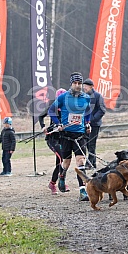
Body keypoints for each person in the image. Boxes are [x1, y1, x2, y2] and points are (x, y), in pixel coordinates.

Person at [48, 72, 91, 201]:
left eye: (79, 83)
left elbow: (88, 112)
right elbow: (51, 111)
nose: (77, 85)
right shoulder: (63, 98)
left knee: (81, 161)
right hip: (66, 135)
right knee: (66, 162)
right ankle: (62, 175)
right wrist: (58, 123)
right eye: (75, 83)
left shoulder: (86, 98)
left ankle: (83, 191)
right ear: (71, 84)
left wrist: (87, 123)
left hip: (80, 135)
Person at [38, 88, 69, 195]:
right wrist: (43, 127)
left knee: (59, 162)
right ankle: (62, 181)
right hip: (52, 139)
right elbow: (40, 116)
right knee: (61, 158)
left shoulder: (68, 106)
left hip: (62, 138)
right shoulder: (52, 105)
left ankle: (52, 183)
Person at [83, 78, 106, 169]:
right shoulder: (83, 96)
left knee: (91, 144)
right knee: (87, 144)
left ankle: (89, 163)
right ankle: (93, 163)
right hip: (84, 124)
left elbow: (102, 110)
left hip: (94, 124)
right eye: (83, 86)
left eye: (86, 86)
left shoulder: (97, 96)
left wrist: (92, 119)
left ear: (91, 87)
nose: (84, 88)